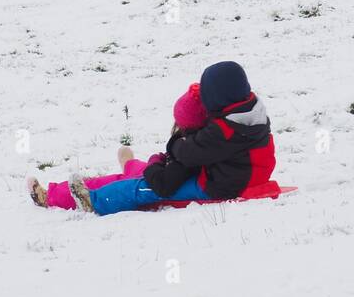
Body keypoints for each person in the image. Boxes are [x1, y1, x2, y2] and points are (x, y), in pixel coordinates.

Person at [69, 61, 276, 215]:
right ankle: (128, 169)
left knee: (142, 188)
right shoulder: (252, 113)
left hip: (221, 187)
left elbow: (187, 153)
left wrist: (176, 143)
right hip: (239, 176)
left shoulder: (224, 131)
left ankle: (94, 202)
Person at [27, 84, 206, 210]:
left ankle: (52, 197)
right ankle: (129, 163)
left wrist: (156, 159)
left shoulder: (191, 155)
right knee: (136, 172)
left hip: (165, 183)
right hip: (168, 174)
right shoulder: (201, 144)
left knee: (120, 183)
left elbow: (164, 181)